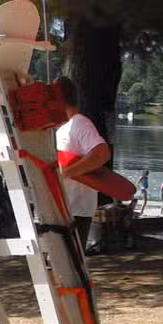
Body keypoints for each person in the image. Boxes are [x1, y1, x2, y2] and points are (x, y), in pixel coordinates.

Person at [54, 76, 111, 253]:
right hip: (64, 207)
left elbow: (102, 153)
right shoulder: (65, 127)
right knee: (57, 266)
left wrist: (67, 172)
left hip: (76, 209)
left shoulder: (80, 124)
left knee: (72, 266)